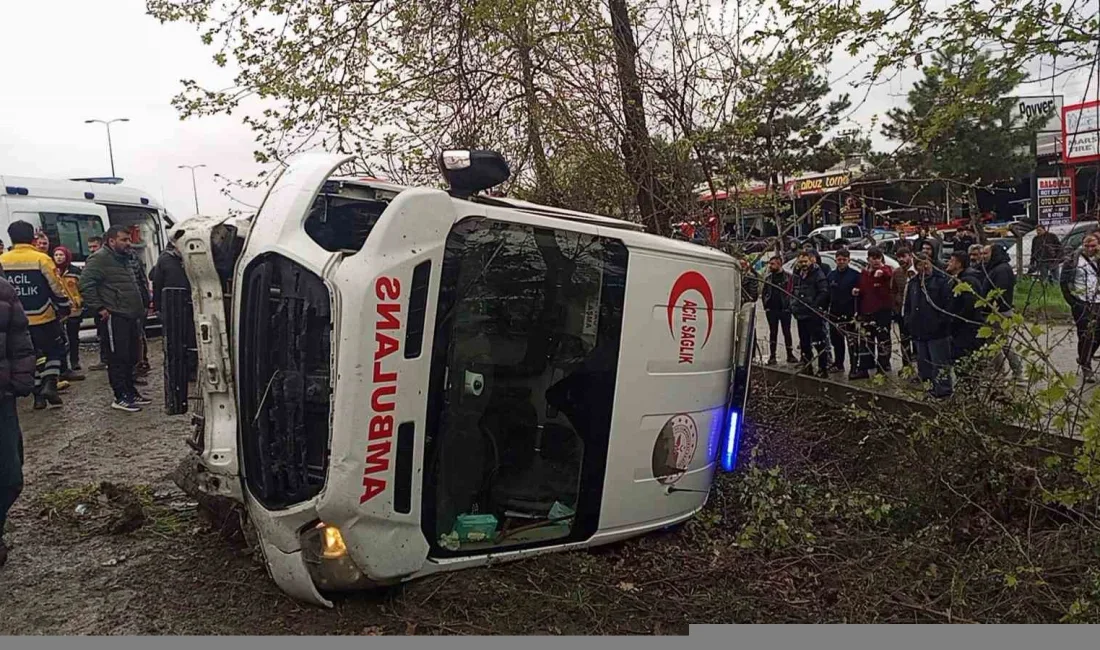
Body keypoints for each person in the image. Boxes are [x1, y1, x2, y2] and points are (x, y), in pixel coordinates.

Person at [0, 221, 72, 410]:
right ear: (32, 238)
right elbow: (55, 286)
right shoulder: (41, 258)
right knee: (54, 350)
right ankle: (50, 382)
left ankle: (38, 396)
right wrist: (64, 306)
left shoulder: (2, 260)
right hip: (43, 316)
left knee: (30, 357)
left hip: (14, 319)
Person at [78, 226, 151, 412]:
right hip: (115, 316)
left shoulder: (125, 259)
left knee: (130, 356)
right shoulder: (100, 258)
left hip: (130, 315)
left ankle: (130, 391)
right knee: (118, 358)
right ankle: (120, 397)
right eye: (124, 240)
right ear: (111, 241)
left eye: (129, 239)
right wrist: (100, 308)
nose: (129, 243)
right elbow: (85, 284)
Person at [0, 272, 36, 568]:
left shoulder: (4, 291)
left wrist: (20, 381)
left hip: (1, 399)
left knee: (10, 476)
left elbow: (20, 341)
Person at [905, 252, 956, 398]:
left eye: (926, 263)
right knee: (924, 363)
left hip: (937, 331)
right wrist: (909, 322)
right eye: (920, 264)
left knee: (939, 362)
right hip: (919, 330)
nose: (924, 266)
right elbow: (908, 304)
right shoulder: (914, 282)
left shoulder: (941, 281)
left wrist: (941, 323)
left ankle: (944, 391)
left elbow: (948, 306)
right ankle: (930, 388)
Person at [981, 243, 1024, 381]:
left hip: (999, 313)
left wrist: (994, 307)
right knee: (998, 343)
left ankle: (1010, 371)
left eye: (986, 253)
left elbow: (1001, 292)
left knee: (1001, 343)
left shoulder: (1001, 270)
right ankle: (1003, 371)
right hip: (994, 312)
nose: (983, 257)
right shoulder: (994, 268)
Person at [1060, 234, 1100, 382]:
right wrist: (1073, 302)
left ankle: (1084, 357)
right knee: (1086, 334)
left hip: (1098, 301)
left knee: (1098, 334)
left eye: (1093, 246)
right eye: (1086, 245)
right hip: (1081, 301)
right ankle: (1086, 366)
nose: (1089, 249)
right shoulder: (1073, 260)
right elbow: (1063, 282)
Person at [852, 247, 894, 379]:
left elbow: (887, 273)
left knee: (883, 339)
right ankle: (864, 368)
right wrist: (857, 291)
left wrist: (880, 271)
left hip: (882, 312)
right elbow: (863, 288)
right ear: (868, 259)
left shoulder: (885, 270)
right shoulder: (864, 273)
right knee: (866, 340)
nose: (876, 261)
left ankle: (883, 367)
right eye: (873, 258)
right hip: (866, 311)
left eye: (878, 258)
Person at [790, 251, 829, 377]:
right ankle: (808, 367)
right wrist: (793, 305)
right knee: (804, 343)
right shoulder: (797, 275)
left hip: (814, 314)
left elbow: (824, 292)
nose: (803, 264)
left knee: (819, 342)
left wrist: (814, 306)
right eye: (801, 262)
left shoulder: (818, 274)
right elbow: (792, 291)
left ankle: (823, 368)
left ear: (811, 260)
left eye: (805, 261)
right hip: (801, 314)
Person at [946, 251, 986, 367]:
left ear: (959, 264)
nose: (948, 263)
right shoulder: (956, 280)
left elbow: (969, 306)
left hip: (966, 330)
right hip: (959, 330)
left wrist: (955, 320)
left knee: (965, 362)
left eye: (951, 261)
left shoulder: (968, 281)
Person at [52, 247, 86, 374]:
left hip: (74, 308)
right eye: (56, 255)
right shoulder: (51, 270)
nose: (59, 257)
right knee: (60, 338)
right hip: (58, 309)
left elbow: (82, 287)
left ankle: (75, 361)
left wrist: (80, 300)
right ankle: (63, 364)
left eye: (61, 255)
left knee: (73, 336)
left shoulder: (75, 271)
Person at [826, 249, 861, 374]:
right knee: (837, 342)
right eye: (839, 260)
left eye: (844, 260)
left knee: (852, 342)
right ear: (835, 260)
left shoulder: (855, 275)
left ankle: (854, 367)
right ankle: (839, 364)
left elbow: (861, 295)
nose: (841, 262)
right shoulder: (831, 276)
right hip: (834, 313)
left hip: (850, 313)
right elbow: (827, 295)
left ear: (848, 260)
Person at [761, 255, 797, 365]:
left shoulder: (789, 277)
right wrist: (766, 306)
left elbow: (793, 293)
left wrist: (790, 306)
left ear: (779, 264)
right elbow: (764, 293)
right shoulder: (768, 278)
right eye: (770, 264)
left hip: (784, 309)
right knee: (773, 332)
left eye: (773, 264)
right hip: (772, 310)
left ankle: (790, 354)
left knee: (787, 332)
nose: (770, 266)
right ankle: (772, 355)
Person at [890, 245, 916, 373]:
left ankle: (921, 369)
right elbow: (893, 290)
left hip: (917, 313)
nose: (901, 259)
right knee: (904, 340)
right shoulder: (897, 272)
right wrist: (896, 305)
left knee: (917, 342)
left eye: (904, 256)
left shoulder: (917, 270)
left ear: (910, 256)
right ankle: (906, 366)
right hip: (902, 311)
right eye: (899, 257)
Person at [86, 236, 109, 372]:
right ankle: (104, 359)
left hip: (106, 302)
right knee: (101, 333)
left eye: (94, 246)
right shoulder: (91, 260)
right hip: (98, 303)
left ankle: (107, 359)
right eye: (89, 247)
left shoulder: (102, 260)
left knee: (107, 334)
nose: (92, 250)